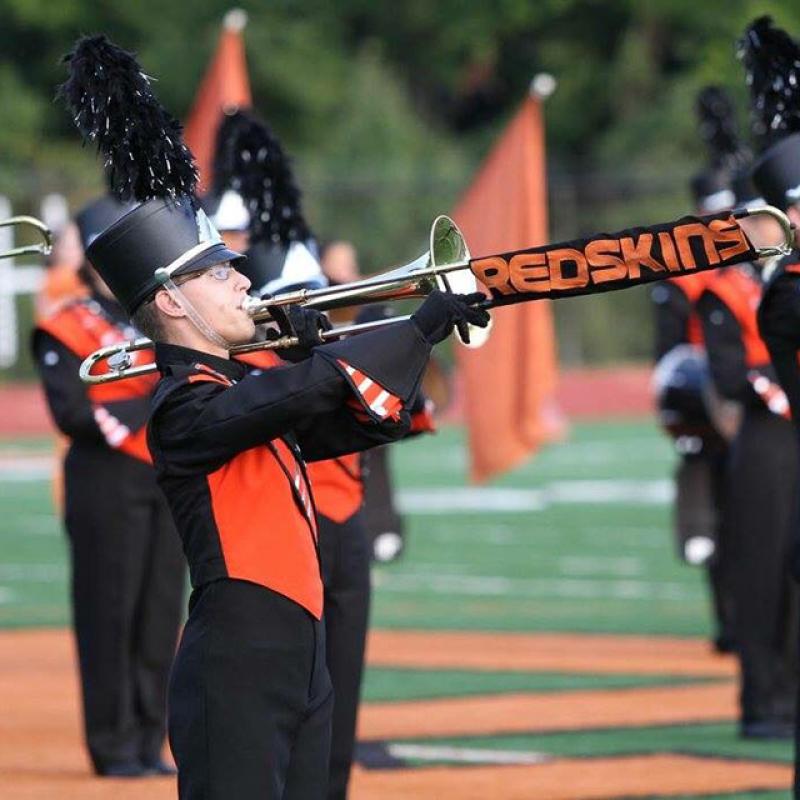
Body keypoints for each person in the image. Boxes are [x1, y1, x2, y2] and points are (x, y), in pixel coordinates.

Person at [60, 37, 489, 799]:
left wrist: (407, 337)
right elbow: (284, 400)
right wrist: (411, 328)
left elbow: (356, 423)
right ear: (170, 301)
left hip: (301, 647)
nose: (237, 284)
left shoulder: (239, 392)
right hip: (237, 657)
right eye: (217, 274)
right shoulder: (184, 409)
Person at [31, 195, 186, 777]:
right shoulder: (65, 324)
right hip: (104, 479)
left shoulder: (157, 319)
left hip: (163, 476)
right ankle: (113, 744)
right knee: (109, 611)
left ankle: (150, 739)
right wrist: (140, 423)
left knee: (158, 611)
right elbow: (71, 411)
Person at [650, 86, 746, 653]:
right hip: (712, 403)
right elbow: (670, 350)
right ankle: (729, 622)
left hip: (759, 392)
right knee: (716, 520)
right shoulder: (684, 275)